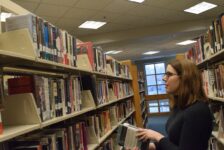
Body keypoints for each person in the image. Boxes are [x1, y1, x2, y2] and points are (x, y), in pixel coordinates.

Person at [136, 59, 213, 150]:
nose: (164, 78)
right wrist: (150, 147)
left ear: (185, 77)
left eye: (169, 74)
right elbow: (174, 140)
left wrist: (158, 137)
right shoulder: (180, 106)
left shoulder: (198, 112)